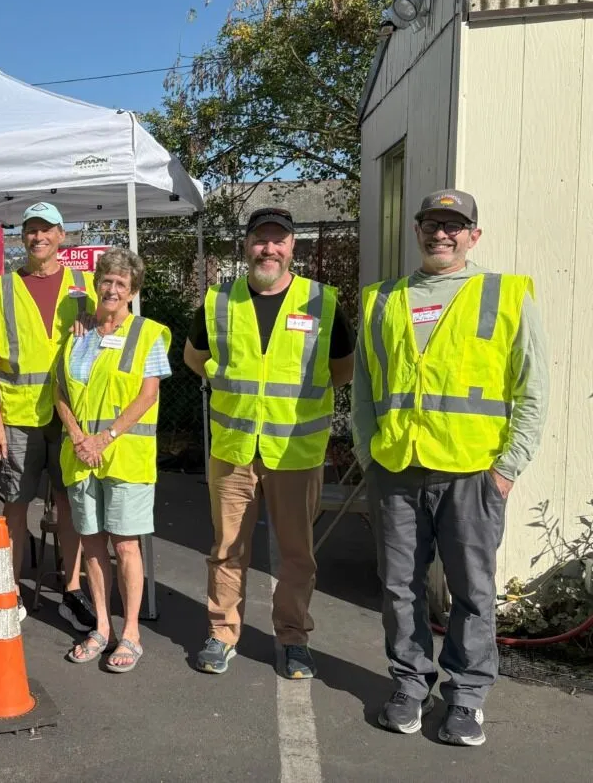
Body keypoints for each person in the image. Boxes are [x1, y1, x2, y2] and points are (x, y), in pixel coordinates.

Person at [353, 189, 549, 747]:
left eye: (454, 225)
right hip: (396, 468)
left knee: (473, 592)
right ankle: (411, 685)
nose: (442, 233)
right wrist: (369, 454)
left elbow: (532, 389)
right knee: (399, 590)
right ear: (417, 230)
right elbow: (366, 389)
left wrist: (507, 468)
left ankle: (465, 698)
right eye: (432, 223)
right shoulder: (381, 299)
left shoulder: (506, 294)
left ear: (473, 236)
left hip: (473, 473)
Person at [184, 206, 354, 679]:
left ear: (291, 247)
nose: (269, 248)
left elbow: (343, 368)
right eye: (261, 239)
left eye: (279, 240)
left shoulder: (321, 301)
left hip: (295, 452)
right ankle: (222, 633)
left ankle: (293, 638)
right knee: (226, 549)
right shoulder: (220, 300)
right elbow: (195, 357)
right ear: (247, 245)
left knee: (297, 553)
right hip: (234, 448)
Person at [0, 202, 98, 631]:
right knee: (16, 505)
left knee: (70, 505)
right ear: (23, 236)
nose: (38, 237)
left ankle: (71, 590)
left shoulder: (87, 288)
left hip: (71, 420)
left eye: (47, 229)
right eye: (31, 230)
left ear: (62, 236)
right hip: (17, 416)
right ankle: (7, 590)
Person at [56, 247, 171, 673]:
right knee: (91, 544)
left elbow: (148, 395)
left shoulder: (148, 334)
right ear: (96, 283)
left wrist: (104, 437)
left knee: (125, 545)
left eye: (122, 283)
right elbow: (60, 390)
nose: (112, 288)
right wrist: (76, 435)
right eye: (106, 280)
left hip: (125, 457)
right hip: (82, 455)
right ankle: (101, 627)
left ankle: (131, 633)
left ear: (133, 292)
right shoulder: (78, 332)